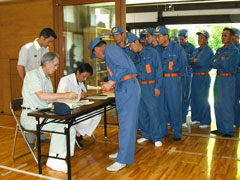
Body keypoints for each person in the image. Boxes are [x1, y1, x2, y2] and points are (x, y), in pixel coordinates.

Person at [21, 52, 78, 173]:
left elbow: (51, 98)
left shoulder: (47, 79)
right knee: (60, 126)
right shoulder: (32, 75)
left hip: (43, 114)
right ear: (47, 64)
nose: (57, 68)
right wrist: (65, 95)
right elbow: (41, 96)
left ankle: (61, 157)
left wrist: (69, 99)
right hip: (30, 117)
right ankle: (53, 159)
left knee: (70, 126)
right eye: (56, 65)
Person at [89, 37, 140, 171]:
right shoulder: (112, 51)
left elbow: (123, 68)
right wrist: (110, 82)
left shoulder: (110, 50)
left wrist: (110, 83)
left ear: (97, 49)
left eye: (95, 54)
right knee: (125, 123)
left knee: (127, 124)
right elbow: (120, 70)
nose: (97, 57)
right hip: (125, 86)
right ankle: (124, 152)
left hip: (128, 86)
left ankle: (123, 159)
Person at [17, 27, 57, 146]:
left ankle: (42, 135)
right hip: (31, 85)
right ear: (42, 38)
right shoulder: (27, 48)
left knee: (43, 107)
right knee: (31, 109)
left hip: (42, 83)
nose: (49, 44)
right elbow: (20, 66)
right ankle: (29, 140)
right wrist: (26, 82)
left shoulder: (46, 49)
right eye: (48, 41)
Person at [126, 34, 163, 147]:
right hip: (139, 86)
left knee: (153, 112)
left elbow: (159, 70)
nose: (130, 49)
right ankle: (146, 134)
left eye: (131, 46)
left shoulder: (152, 53)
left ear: (137, 42)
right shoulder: (135, 55)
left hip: (151, 87)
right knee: (142, 112)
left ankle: (157, 137)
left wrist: (157, 87)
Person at [57, 62, 101, 148]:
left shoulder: (80, 82)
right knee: (87, 120)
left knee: (97, 115)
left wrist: (88, 95)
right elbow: (60, 98)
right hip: (67, 109)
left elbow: (84, 94)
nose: (85, 79)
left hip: (78, 107)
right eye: (84, 76)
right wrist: (79, 96)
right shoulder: (65, 80)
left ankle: (78, 133)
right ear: (77, 72)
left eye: (87, 77)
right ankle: (75, 134)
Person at [154, 26, 187, 140]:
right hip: (160, 80)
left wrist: (172, 72)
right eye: (156, 36)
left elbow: (183, 65)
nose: (157, 39)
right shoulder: (156, 50)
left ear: (166, 36)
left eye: (159, 36)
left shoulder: (177, 49)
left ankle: (177, 132)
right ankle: (163, 131)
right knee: (161, 107)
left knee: (174, 106)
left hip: (173, 80)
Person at [211, 27, 239, 137]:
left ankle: (228, 130)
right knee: (218, 104)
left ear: (232, 37)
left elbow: (226, 64)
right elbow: (212, 63)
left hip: (228, 79)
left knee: (227, 105)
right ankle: (221, 128)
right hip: (219, 78)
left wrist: (219, 60)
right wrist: (221, 60)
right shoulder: (219, 50)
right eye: (222, 35)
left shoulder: (235, 51)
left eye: (225, 35)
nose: (223, 37)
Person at [190, 30, 213, 128]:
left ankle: (205, 121)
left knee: (203, 98)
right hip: (195, 75)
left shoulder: (208, 50)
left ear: (207, 39)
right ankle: (196, 118)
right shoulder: (196, 50)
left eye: (202, 37)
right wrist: (193, 60)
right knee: (194, 98)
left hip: (203, 76)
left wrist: (193, 60)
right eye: (199, 37)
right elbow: (190, 61)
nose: (199, 39)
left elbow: (200, 62)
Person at [178, 29, 195, 127]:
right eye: (179, 39)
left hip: (188, 73)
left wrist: (186, 59)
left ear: (187, 38)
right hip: (179, 74)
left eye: (182, 39)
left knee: (186, 96)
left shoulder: (191, 47)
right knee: (178, 96)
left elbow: (193, 60)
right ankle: (179, 117)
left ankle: (184, 117)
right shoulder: (176, 47)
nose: (180, 42)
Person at [233, 28, 240, 127]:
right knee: (232, 99)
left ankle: (237, 121)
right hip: (231, 76)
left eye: (233, 36)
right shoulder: (227, 48)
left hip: (238, 75)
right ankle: (233, 120)